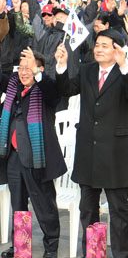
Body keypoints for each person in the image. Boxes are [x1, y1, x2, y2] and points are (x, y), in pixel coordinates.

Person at [54, 29, 128, 258]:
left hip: (116, 152)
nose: (99, 49)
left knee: (119, 211)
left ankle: (121, 254)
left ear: (117, 49)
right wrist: (62, 66)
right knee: (88, 210)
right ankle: (92, 253)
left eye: (105, 45)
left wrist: (125, 66)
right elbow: (67, 90)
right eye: (97, 45)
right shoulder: (87, 70)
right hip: (89, 151)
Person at [0, 48, 66, 258]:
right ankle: (21, 245)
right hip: (14, 156)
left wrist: (37, 72)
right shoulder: (13, 88)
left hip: (38, 158)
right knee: (18, 204)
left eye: (29, 67)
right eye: (21, 68)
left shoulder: (46, 90)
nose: (24, 72)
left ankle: (51, 248)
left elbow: (52, 90)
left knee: (44, 205)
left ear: (39, 68)